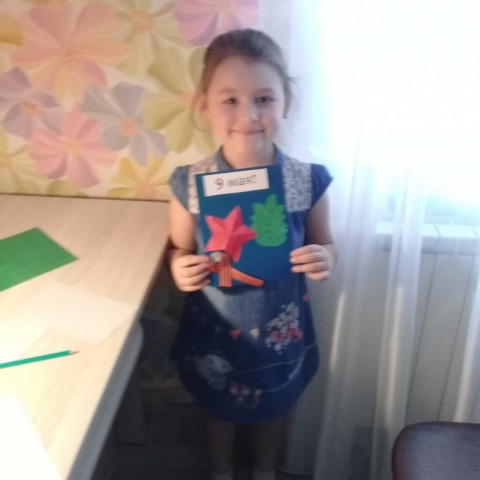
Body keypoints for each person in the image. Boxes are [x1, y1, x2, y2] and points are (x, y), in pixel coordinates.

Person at [167, 28, 336, 480]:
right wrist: (180, 267)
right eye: (230, 100)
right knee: (219, 409)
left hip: (280, 331)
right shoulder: (191, 183)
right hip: (216, 332)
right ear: (205, 106)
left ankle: (265, 471)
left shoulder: (305, 180)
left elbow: (325, 243)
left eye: (264, 99)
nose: (249, 114)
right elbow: (179, 248)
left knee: (274, 408)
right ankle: (221, 471)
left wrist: (323, 258)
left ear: (286, 103)